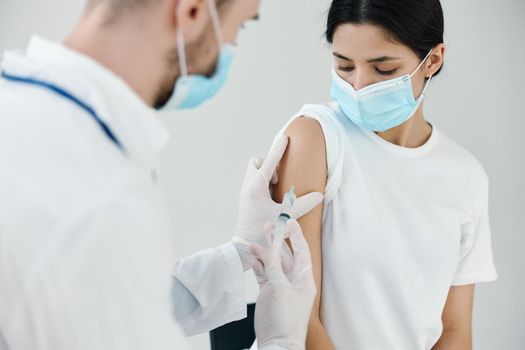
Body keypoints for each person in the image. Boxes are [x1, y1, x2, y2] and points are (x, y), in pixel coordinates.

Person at [0, 0, 323, 349]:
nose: (231, 45)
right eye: (240, 26)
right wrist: (280, 341)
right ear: (193, 12)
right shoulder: (98, 196)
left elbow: (103, 296)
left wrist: (240, 252)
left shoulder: (22, 110)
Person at [273, 0, 498, 349]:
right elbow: (295, 314)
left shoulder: (465, 176)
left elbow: (454, 330)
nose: (359, 86)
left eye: (384, 70)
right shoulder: (315, 140)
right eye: (344, 66)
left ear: (433, 61)